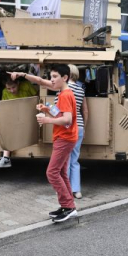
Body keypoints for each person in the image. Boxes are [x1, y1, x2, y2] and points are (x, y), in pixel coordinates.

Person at [35, 64, 78, 223]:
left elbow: (67, 119)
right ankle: (68, 206)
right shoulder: (64, 93)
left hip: (65, 138)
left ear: (65, 78)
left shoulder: (66, 94)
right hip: (66, 137)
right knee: (60, 173)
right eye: (51, 77)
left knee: (52, 173)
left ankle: (68, 206)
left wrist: (46, 120)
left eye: (54, 77)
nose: (51, 80)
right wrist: (47, 109)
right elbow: (61, 113)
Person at [0, 76, 39, 168]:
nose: (11, 91)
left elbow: (37, 97)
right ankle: (6, 158)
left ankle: (6, 158)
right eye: (8, 88)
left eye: (13, 87)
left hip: (30, 114)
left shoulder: (26, 85)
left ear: (18, 83)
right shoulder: (4, 92)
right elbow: (5, 107)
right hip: (15, 116)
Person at [67, 65, 88, 199]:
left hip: (67, 127)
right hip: (79, 126)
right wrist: (84, 127)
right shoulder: (81, 90)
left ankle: (66, 189)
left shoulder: (63, 90)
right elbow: (85, 111)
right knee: (74, 159)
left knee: (65, 160)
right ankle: (77, 190)